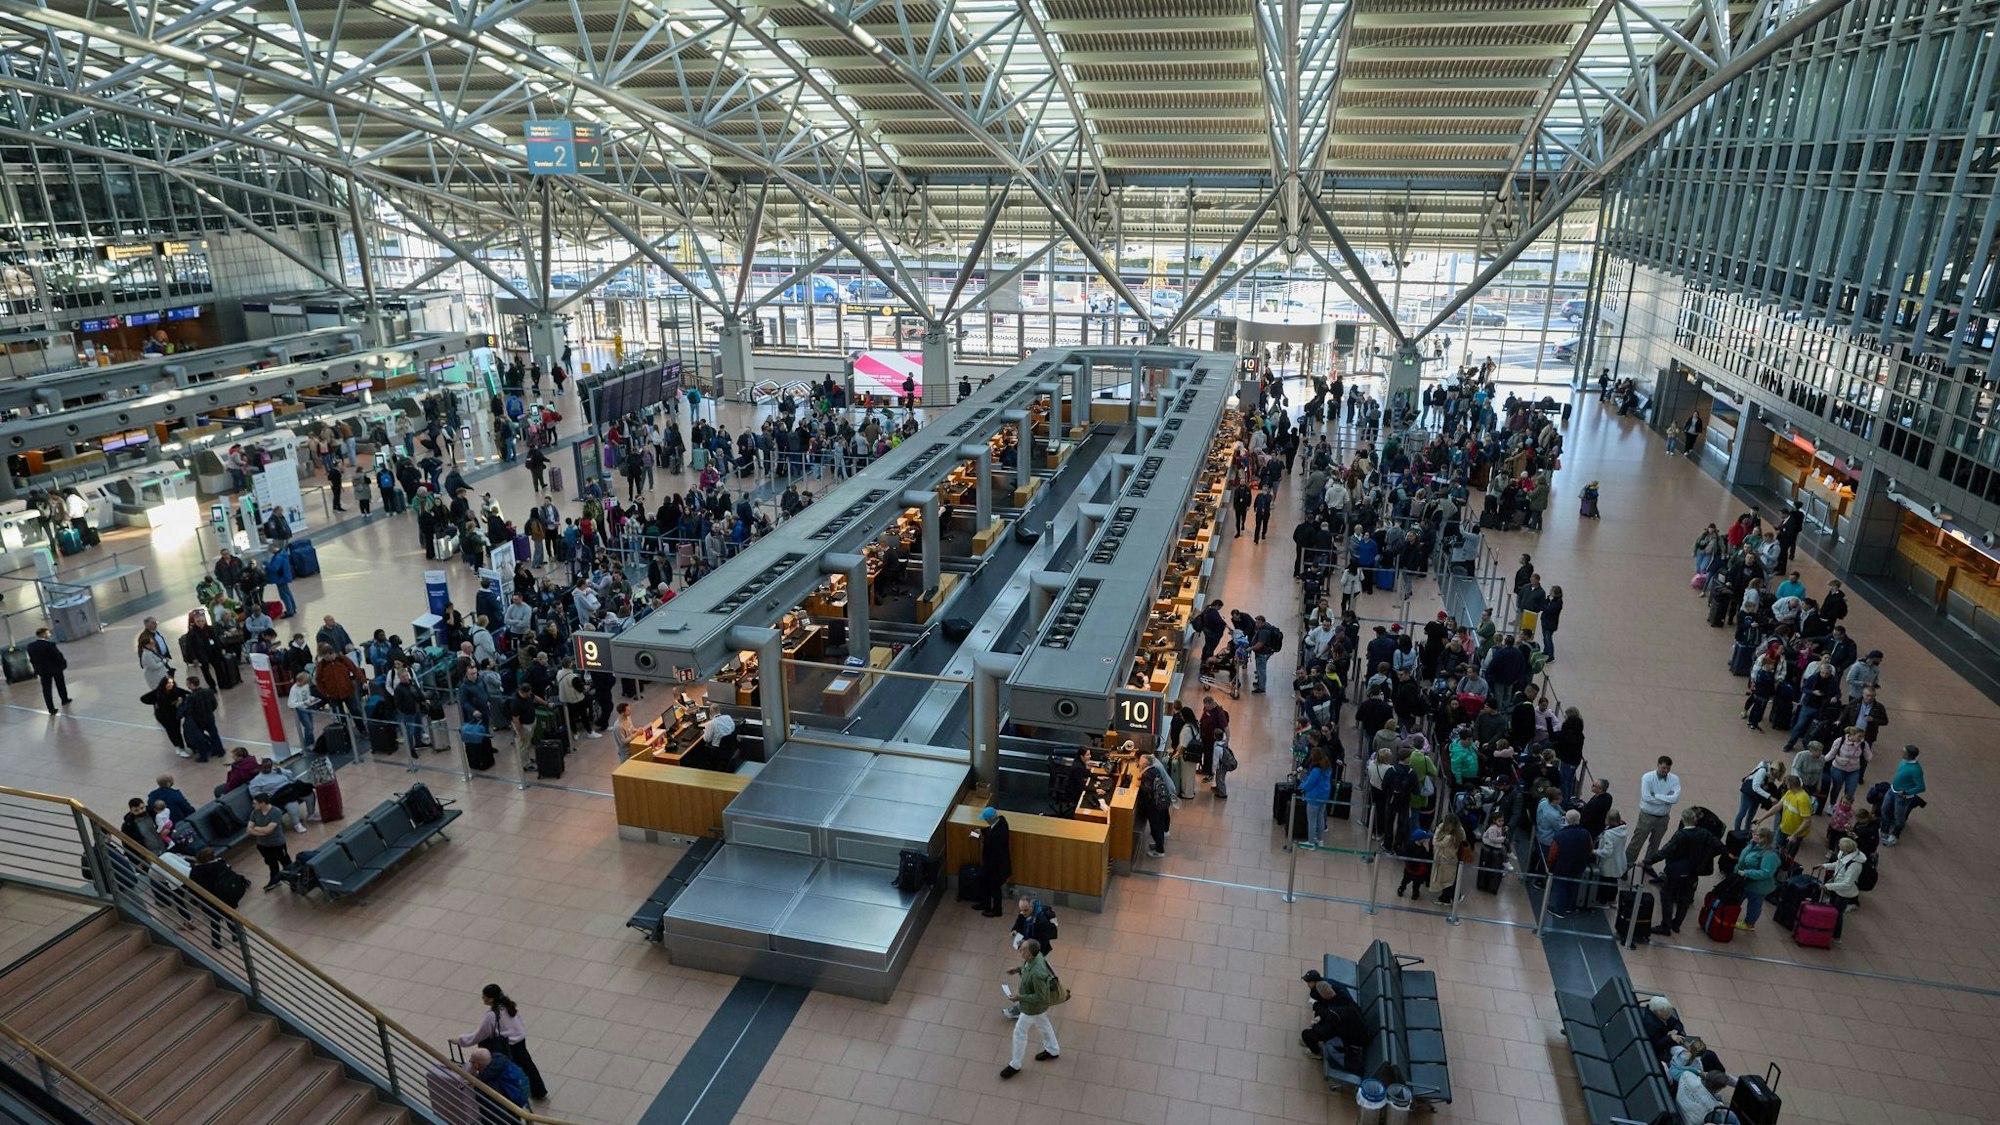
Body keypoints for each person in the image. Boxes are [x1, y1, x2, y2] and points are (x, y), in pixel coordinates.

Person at [452, 984, 549, 1101]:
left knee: (506, 1070)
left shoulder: (491, 1016)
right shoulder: (509, 1007)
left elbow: (479, 1035)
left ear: (491, 999)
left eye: (484, 997)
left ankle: (511, 1094)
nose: (482, 998)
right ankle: (539, 1090)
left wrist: (460, 1040)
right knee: (528, 1066)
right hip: (519, 1041)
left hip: (505, 1046)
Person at [1644, 809, 1720, 936]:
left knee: (1667, 895)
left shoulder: (1680, 835)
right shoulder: (1704, 833)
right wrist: (1704, 859)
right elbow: (1718, 846)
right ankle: (1677, 924)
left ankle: (1665, 926)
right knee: (1684, 899)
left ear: (1683, 820)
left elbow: (1665, 851)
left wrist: (1649, 861)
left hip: (1675, 871)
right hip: (1692, 872)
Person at [999, 938, 1060, 1079]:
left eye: (1023, 949)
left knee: (1019, 1032)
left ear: (1030, 954)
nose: (1020, 949)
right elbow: (1027, 966)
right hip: (1037, 1008)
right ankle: (1053, 1049)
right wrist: (1017, 969)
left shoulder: (1037, 974)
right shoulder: (1036, 957)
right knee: (1043, 1024)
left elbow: (1041, 996)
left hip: (1032, 1007)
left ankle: (1015, 1064)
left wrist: (1019, 998)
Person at [1626, 756, 1682, 878]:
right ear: (1658, 765)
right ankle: (1627, 865)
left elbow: (1675, 798)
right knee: (1637, 842)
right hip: (1647, 816)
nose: (1666, 770)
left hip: (1663, 817)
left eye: (1668, 768)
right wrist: (1666, 799)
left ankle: (1648, 865)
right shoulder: (1648, 777)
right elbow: (1646, 797)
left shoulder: (1674, 779)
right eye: (1663, 768)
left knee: (1655, 843)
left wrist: (1656, 795)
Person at [1299, 976, 1368, 1066]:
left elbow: (1325, 1032)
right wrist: (1321, 1017)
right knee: (1319, 1019)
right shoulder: (1343, 998)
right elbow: (1329, 1015)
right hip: (1357, 1027)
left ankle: (1317, 1053)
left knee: (1306, 1034)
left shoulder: (1333, 1015)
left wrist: (1314, 1025)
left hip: (1353, 1038)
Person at [1733, 826, 1782, 933]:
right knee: (1737, 899)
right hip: (1745, 881)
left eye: (1756, 835)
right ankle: (1731, 915)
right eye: (1754, 833)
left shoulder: (1770, 855)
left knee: (1754, 904)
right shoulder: (1754, 844)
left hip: (1758, 886)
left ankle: (1749, 924)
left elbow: (1766, 872)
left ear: (1764, 839)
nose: (1753, 835)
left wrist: (1747, 872)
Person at [1547, 810, 1595, 916]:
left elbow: (1553, 854)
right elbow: (1590, 849)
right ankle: (1570, 906)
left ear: (1567, 820)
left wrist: (1549, 866)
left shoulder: (1560, 835)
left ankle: (1559, 910)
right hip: (1579, 866)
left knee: (1561, 887)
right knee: (1573, 886)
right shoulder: (1586, 833)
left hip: (1562, 867)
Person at [1819, 836, 1865, 942]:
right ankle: (1829, 929)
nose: (1838, 846)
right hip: (1837, 887)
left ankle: (1836, 936)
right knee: (1832, 909)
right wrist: (1825, 866)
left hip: (1844, 892)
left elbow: (1847, 884)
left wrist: (1828, 886)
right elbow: (1839, 865)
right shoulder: (1845, 855)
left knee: (1838, 913)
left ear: (1847, 849)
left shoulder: (1855, 866)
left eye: (1840, 845)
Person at [246, 793, 292, 890]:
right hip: (263, 844)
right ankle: (275, 880)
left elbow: (269, 830)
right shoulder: (254, 812)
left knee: (285, 862)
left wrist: (257, 828)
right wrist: (263, 832)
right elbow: (249, 829)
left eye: (255, 803)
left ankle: (293, 879)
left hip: (277, 844)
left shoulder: (276, 812)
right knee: (271, 863)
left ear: (262, 803)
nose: (253, 805)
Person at [1881, 744, 1924, 846]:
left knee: (1899, 818)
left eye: (1904, 752)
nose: (1901, 753)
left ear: (1909, 755)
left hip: (1903, 797)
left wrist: (1906, 792)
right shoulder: (1904, 762)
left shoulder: (1916, 770)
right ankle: (1884, 830)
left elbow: (1921, 787)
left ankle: (1895, 836)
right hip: (1893, 790)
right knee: (1884, 809)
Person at [24, 625, 71, 714]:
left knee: (46, 689)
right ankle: (64, 699)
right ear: (44, 634)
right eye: (48, 632)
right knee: (60, 684)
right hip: (55, 668)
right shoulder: (50, 645)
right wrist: (63, 664)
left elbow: (32, 659)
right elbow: (58, 656)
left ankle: (51, 708)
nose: (49, 634)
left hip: (42, 670)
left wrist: (36, 668)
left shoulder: (31, 646)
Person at [465, 1046, 530, 1110]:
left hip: (511, 1107)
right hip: (519, 1094)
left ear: (478, 1064)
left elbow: (492, 1106)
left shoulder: (489, 1083)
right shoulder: (499, 1061)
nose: (470, 1062)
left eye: (472, 1062)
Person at [974, 807, 1011, 917]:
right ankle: (985, 904)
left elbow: (992, 843)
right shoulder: (1001, 822)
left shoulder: (998, 835)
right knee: (985, 884)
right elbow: (991, 829)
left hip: (996, 866)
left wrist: (981, 835)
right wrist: (981, 831)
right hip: (991, 864)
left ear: (989, 819)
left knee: (995, 889)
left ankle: (996, 910)